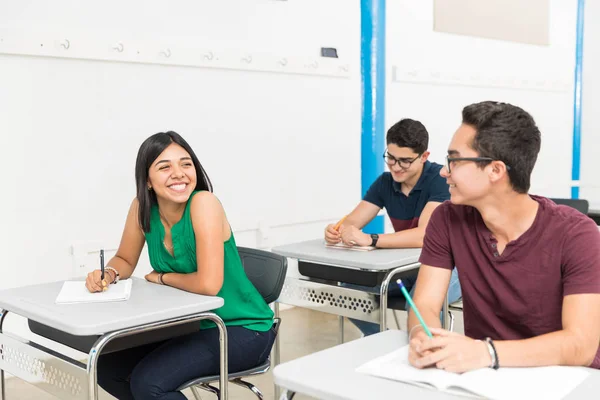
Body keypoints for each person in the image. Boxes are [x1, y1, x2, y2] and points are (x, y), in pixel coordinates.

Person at [408, 101, 600, 373]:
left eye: (454, 160)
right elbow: (425, 304)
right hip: (485, 377)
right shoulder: (447, 219)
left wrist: (486, 352)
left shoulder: (577, 234)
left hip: (566, 379)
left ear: (495, 171)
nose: (443, 171)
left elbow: (581, 344)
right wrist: (423, 336)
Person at [85, 131, 276, 399]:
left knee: (149, 383)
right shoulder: (142, 207)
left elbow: (209, 285)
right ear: (148, 180)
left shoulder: (203, 203)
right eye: (165, 167)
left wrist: (163, 277)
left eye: (186, 164)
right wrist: (108, 273)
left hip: (241, 328)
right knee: (107, 368)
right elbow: (126, 260)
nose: (179, 173)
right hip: (191, 325)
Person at [324, 118, 461, 336]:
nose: (396, 167)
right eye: (391, 158)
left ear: (424, 156)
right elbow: (351, 222)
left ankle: (428, 353)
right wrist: (337, 231)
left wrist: (372, 239)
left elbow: (425, 236)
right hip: (408, 266)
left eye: (405, 161)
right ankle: (382, 343)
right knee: (348, 296)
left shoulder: (439, 180)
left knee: (419, 304)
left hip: (452, 266)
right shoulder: (385, 182)